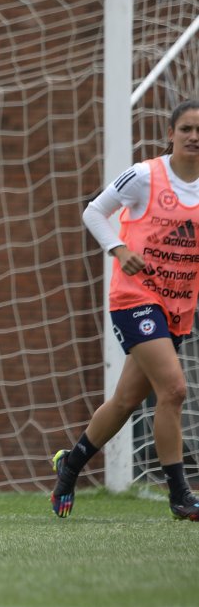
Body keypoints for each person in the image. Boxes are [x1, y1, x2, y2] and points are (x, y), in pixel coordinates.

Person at [52, 99, 199, 521]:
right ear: (170, 133)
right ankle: (180, 495)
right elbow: (94, 211)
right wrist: (117, 248)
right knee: (173, 389)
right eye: (186, 128)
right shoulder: (144, 175)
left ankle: (71, 465)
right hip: (135, 298)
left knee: (124, 402)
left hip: (176, 305)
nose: (193, 136)